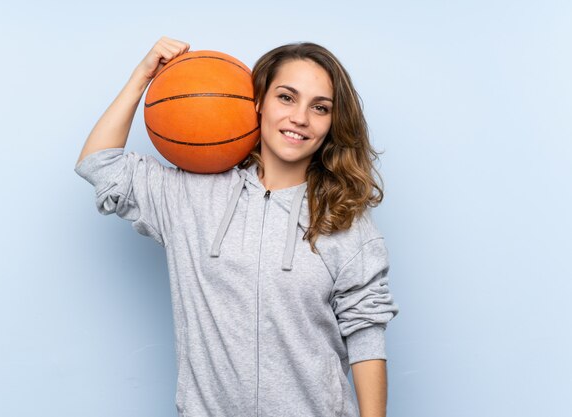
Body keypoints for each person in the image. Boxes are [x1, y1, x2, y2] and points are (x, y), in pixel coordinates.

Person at [75, 36, 399, 417]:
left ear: (332, 122)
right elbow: (98, 165)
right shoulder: (190, 195)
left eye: (320, 107)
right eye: (286, 97)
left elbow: (365, 335)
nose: (300, 118)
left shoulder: (343, 218)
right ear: (258, 102)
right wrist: (142, 76)